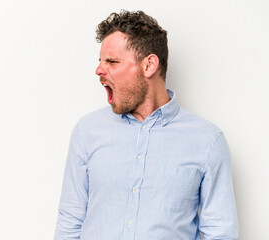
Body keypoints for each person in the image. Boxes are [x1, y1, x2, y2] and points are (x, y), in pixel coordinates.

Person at [54, 10, 238, 240]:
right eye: (100, 61)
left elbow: (220, 233)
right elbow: (70, 223)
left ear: (149, 65)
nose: (99, 70)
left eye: (112, 61)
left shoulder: (208, 141)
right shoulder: (87, 131)